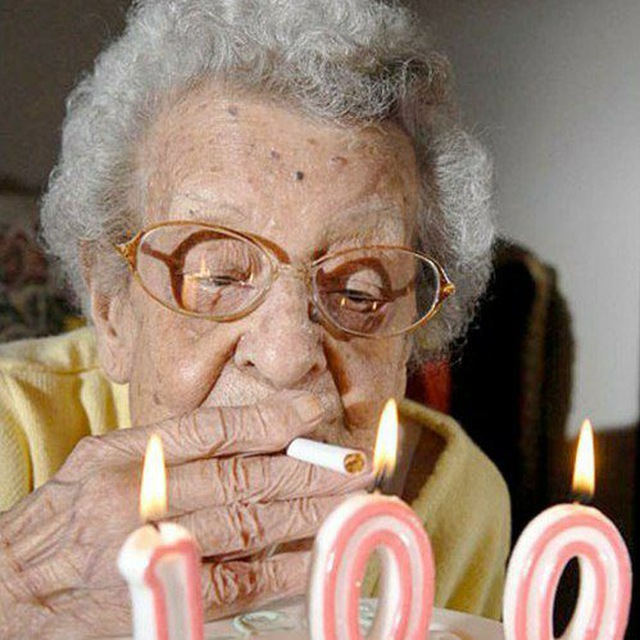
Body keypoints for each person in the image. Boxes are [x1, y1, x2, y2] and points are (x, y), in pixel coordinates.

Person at [0, 0, 510, 636]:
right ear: (112, 307)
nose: (286, 356)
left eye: (359, 291)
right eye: (217, 276)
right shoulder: (10, 435)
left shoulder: (455, 503)